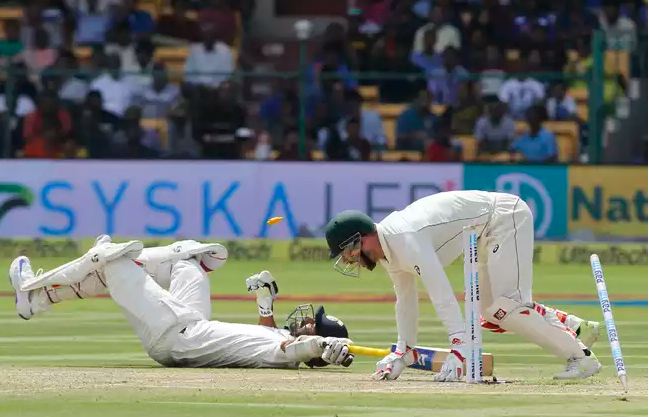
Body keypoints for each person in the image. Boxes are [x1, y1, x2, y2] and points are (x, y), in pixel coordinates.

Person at [323, 191, 602, 381]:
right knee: (493, 312)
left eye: (349, 250)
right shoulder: (388, 252)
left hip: (505, 218)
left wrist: (461, 346)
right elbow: (405, 300)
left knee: (506, 306)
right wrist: (402, 351)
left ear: (362, 237)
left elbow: (440, 291)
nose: (350, 259)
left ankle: (580, 357)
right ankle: (574, 326)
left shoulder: (405, 238)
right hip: (484, 231)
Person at [9, 237, 354, 369]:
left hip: (174, 332)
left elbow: (287, 349)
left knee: (111, 258)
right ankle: (41, 296)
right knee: (188, 257)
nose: (307, 321)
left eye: (313, 323)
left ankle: (34, 294)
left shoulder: (285, 353)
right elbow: (267, 336)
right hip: (187, 325)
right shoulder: (276, 339)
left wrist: (319, 346)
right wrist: (266, 304)